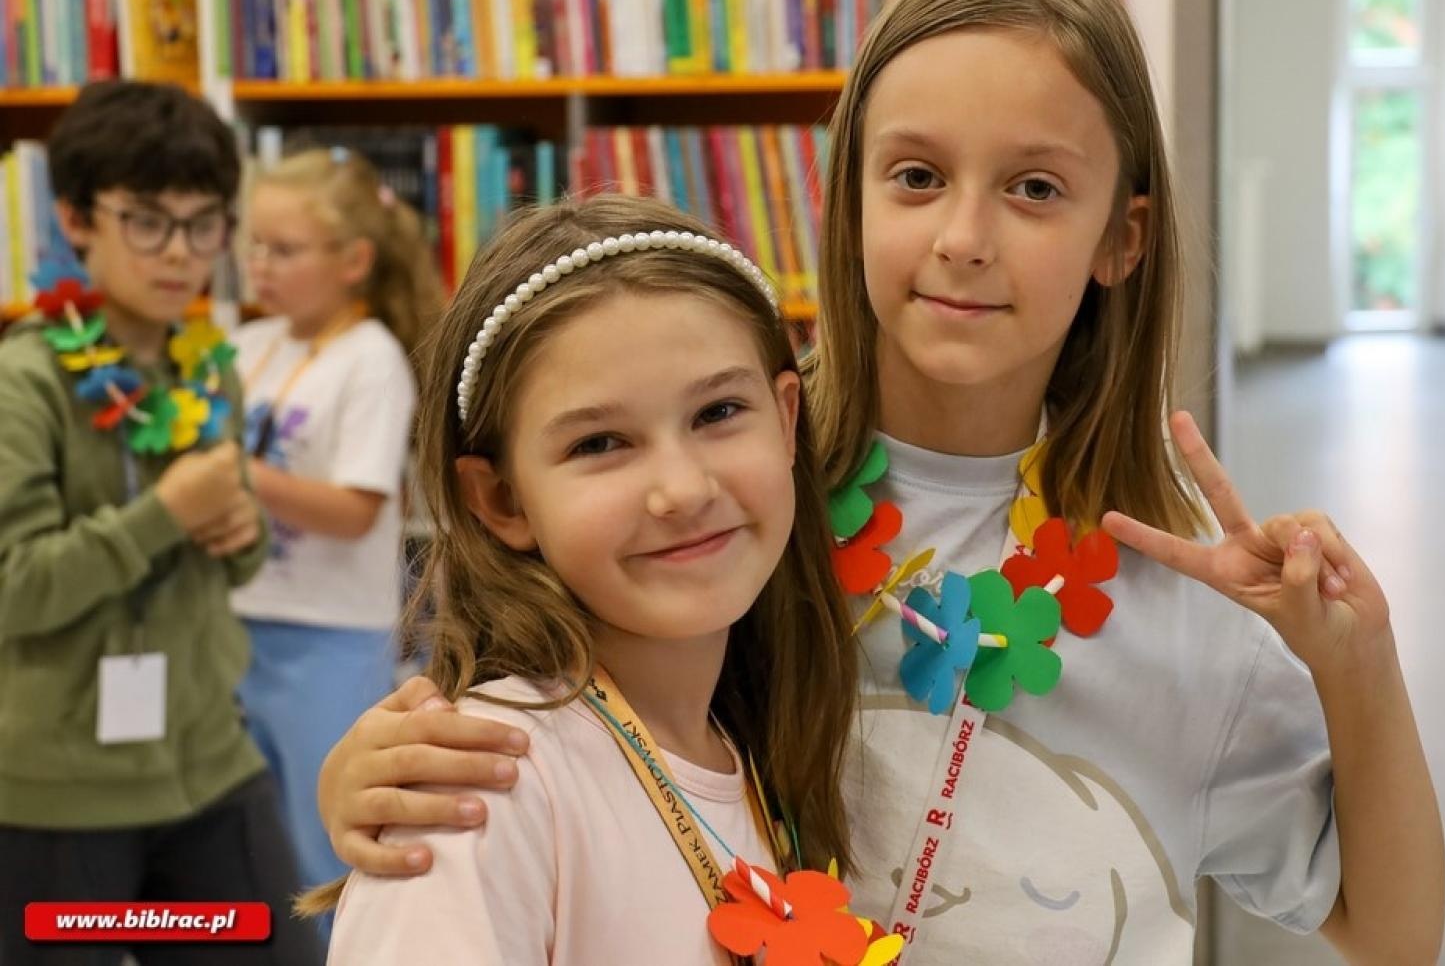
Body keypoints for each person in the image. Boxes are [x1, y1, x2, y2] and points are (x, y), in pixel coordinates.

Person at [314, 0, 1445, 964]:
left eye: (1035, 188)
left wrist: (1359, 667)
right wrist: (358, 776)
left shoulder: (1179, 586)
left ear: (1121, 236)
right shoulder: (728, 506)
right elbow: (536, 738)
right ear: (846, 194)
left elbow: (1391, 934)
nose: (962, 239)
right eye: (914, 176)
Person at [319, 196, 866, 964]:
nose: (681, 489)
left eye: (718, 411)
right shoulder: (483, 785)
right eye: (601, 442)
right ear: (503, 500)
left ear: (785, 420)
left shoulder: (748, 753)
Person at [0, 80, 320, 964]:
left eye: (203, 221)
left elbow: (239, 557)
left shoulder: (207, 370)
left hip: (209, 765)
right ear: (76, 219)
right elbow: (11, 587)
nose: (178, 252)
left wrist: (237, 531)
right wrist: (162, 516)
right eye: (145, 219)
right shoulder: (25, 382)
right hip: (59, 797)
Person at [230, 147, 440, 901]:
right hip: (237, 625)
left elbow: (357, 510)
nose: (260, 265)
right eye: (253, 244)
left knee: (325, 851)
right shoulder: (249, 344)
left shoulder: (371, 359)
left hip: (328, 636)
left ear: (354, 258)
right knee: (250, 848)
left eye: (283, 249)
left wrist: (235, 476)